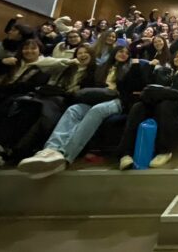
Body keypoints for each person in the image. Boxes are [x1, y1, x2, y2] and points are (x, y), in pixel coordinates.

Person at [17, 46, 143, 178]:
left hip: (117, 101)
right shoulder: (101, 67)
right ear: (114, 52)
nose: (124, 54)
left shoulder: (129, 68)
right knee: (73, 109)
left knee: (97, 110)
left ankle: (66, 157)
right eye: (121, 51)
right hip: (95, 99)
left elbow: (136, 86)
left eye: (127, 53)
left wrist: (135, 64)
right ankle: (51, 150)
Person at [0, 44, 96, 168]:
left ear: (92, 55)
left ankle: (13, 150)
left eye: (86, 53)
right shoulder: (68, 68)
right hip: (53, 96)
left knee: (38, 110)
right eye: (79, 53)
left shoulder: (96, 70)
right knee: (23, 106)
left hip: (69, 101)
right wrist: (69, 61)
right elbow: (41, 64)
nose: (82, 55)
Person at [118, 50, 178, 170]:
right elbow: (147, 82)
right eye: (176, 56)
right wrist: (151, 66)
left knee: (165, 104)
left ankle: (164, 151)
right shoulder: (164, 72)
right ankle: (125, 154)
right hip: (158, 103)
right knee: (138, 107)